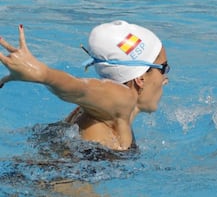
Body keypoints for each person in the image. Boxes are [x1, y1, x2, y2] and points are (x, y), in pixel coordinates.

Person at [0, 20, 170, 151]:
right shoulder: (122, 99)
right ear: (140, 78)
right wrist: (42, 73)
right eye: (163, 69)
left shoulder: (106, 111)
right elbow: (81, 88)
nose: (165, 79)